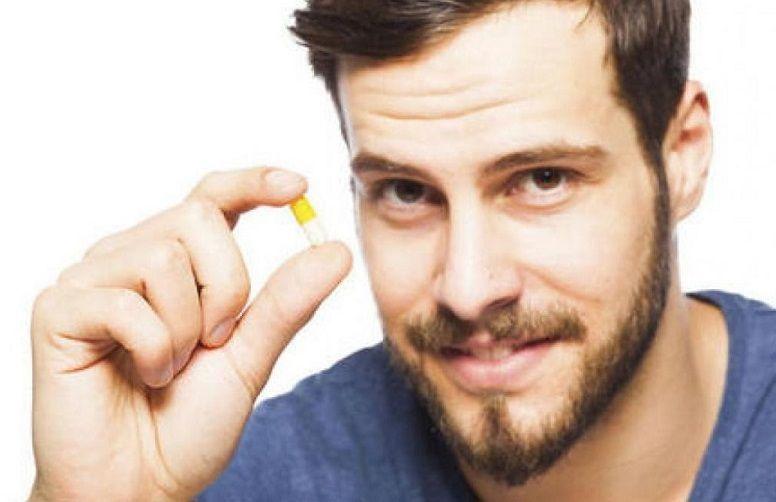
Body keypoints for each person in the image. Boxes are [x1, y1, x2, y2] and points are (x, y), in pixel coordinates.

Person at [28, 1, 776, 501]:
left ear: (683, 155)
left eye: (542, 179)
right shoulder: (227, 478)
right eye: (406, 191)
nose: (467, 287)